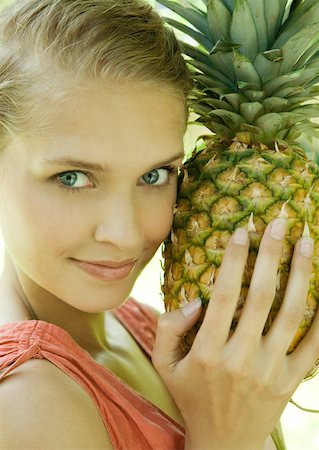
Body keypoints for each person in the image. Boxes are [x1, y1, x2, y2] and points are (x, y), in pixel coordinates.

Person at [0, 0, 318, 449]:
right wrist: (226, 438)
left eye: (155, 175)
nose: (127, 234)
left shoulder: (141, 326)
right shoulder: (27, 405)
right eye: (72, 178)